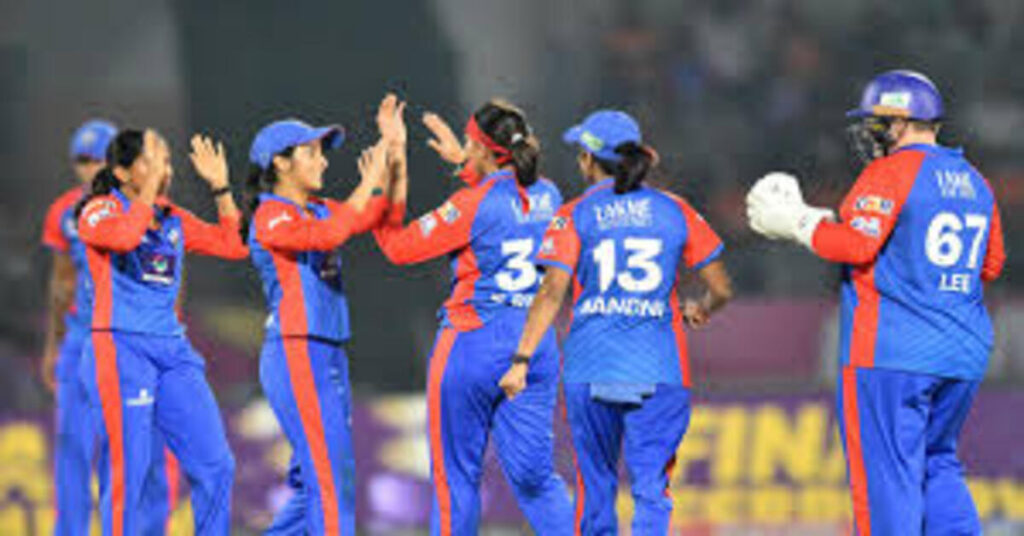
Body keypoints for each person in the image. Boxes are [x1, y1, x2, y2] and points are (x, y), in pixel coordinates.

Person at [746, 69, 1005, 535]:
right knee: (937, 463)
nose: (869, 136)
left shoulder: (889, 171)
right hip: (962, 353)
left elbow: (856, 247)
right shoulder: (975, 181)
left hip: (892, 352)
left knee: (887, 479)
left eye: (875, 124)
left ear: (899, 122)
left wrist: (798, 225)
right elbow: (991, 265)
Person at [502, 110, 733, 534]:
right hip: (659, 368)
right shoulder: (674, 209)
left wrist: (521, 358)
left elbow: (551, 292)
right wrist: (701, 308)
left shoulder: (575, 213)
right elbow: (721, 288)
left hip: (591, 367)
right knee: (651, 490)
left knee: (595, 487)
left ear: (590, 160)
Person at [373, 99, 573, 535]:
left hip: (472, 344)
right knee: (537, 481)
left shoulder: (469, 205)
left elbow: (397, 246)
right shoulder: (551, 194)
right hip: (533, 347)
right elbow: (507, 197)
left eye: (469, 142)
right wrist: (469, 161)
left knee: (456, 479)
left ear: (484, 150)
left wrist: (393, 167)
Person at [76, 129, 246, 535]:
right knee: (129, 473)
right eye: (152, 162)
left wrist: (221, 188)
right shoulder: (97, 211)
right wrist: (148, 194)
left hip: (173, 352)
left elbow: (235, 245)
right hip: (121, 348)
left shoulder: (172, 217)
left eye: (168, 162)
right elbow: (124, 237)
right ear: (120, 171)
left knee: (216, 464)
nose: (165, 171)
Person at [246, 97, 396, 536]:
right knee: (330, 477)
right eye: (311, 152)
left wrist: (391, 151)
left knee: (319, 482)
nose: (323, 163)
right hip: (296, 351)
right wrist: (367, 179)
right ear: (281, 162)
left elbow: (368, 214)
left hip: (327, 350)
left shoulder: (320, 207)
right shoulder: (270, 214)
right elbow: (331, 233)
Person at [42, 119, 177, 535]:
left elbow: (171, 274)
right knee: (74, 449)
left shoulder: (151, 208)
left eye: (97, 159)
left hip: (135, 338)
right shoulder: (66, 212)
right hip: (83, 337)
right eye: (81, 161)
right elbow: (61, 280)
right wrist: (53, 344)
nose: (87, 169)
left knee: (148, 448)